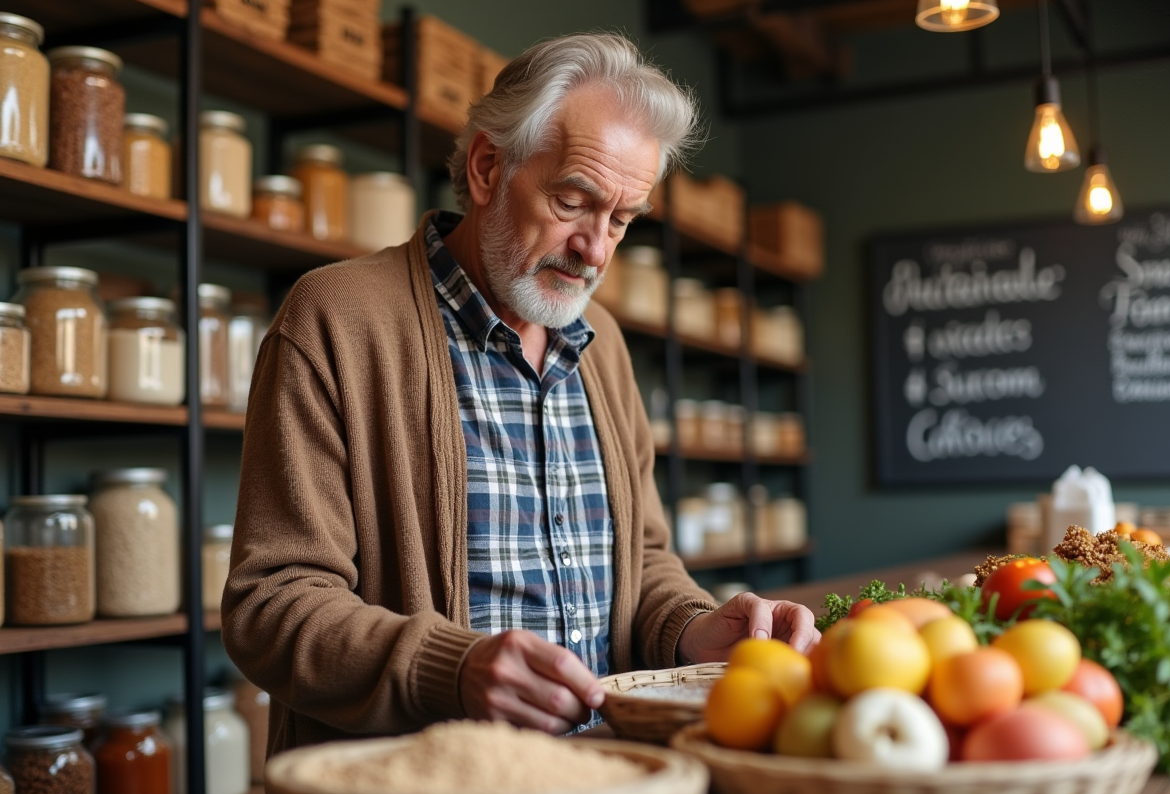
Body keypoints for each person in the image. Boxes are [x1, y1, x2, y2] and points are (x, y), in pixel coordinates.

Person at [222, 31, 819, 755]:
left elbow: (644, 563)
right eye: (574, 202)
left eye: (622, 221)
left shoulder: (603, 345)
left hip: (604, 772)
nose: (595, 249)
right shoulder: (335, 319)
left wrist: (698, 628)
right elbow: (272, 605)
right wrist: (456, 669)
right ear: (486, 167)